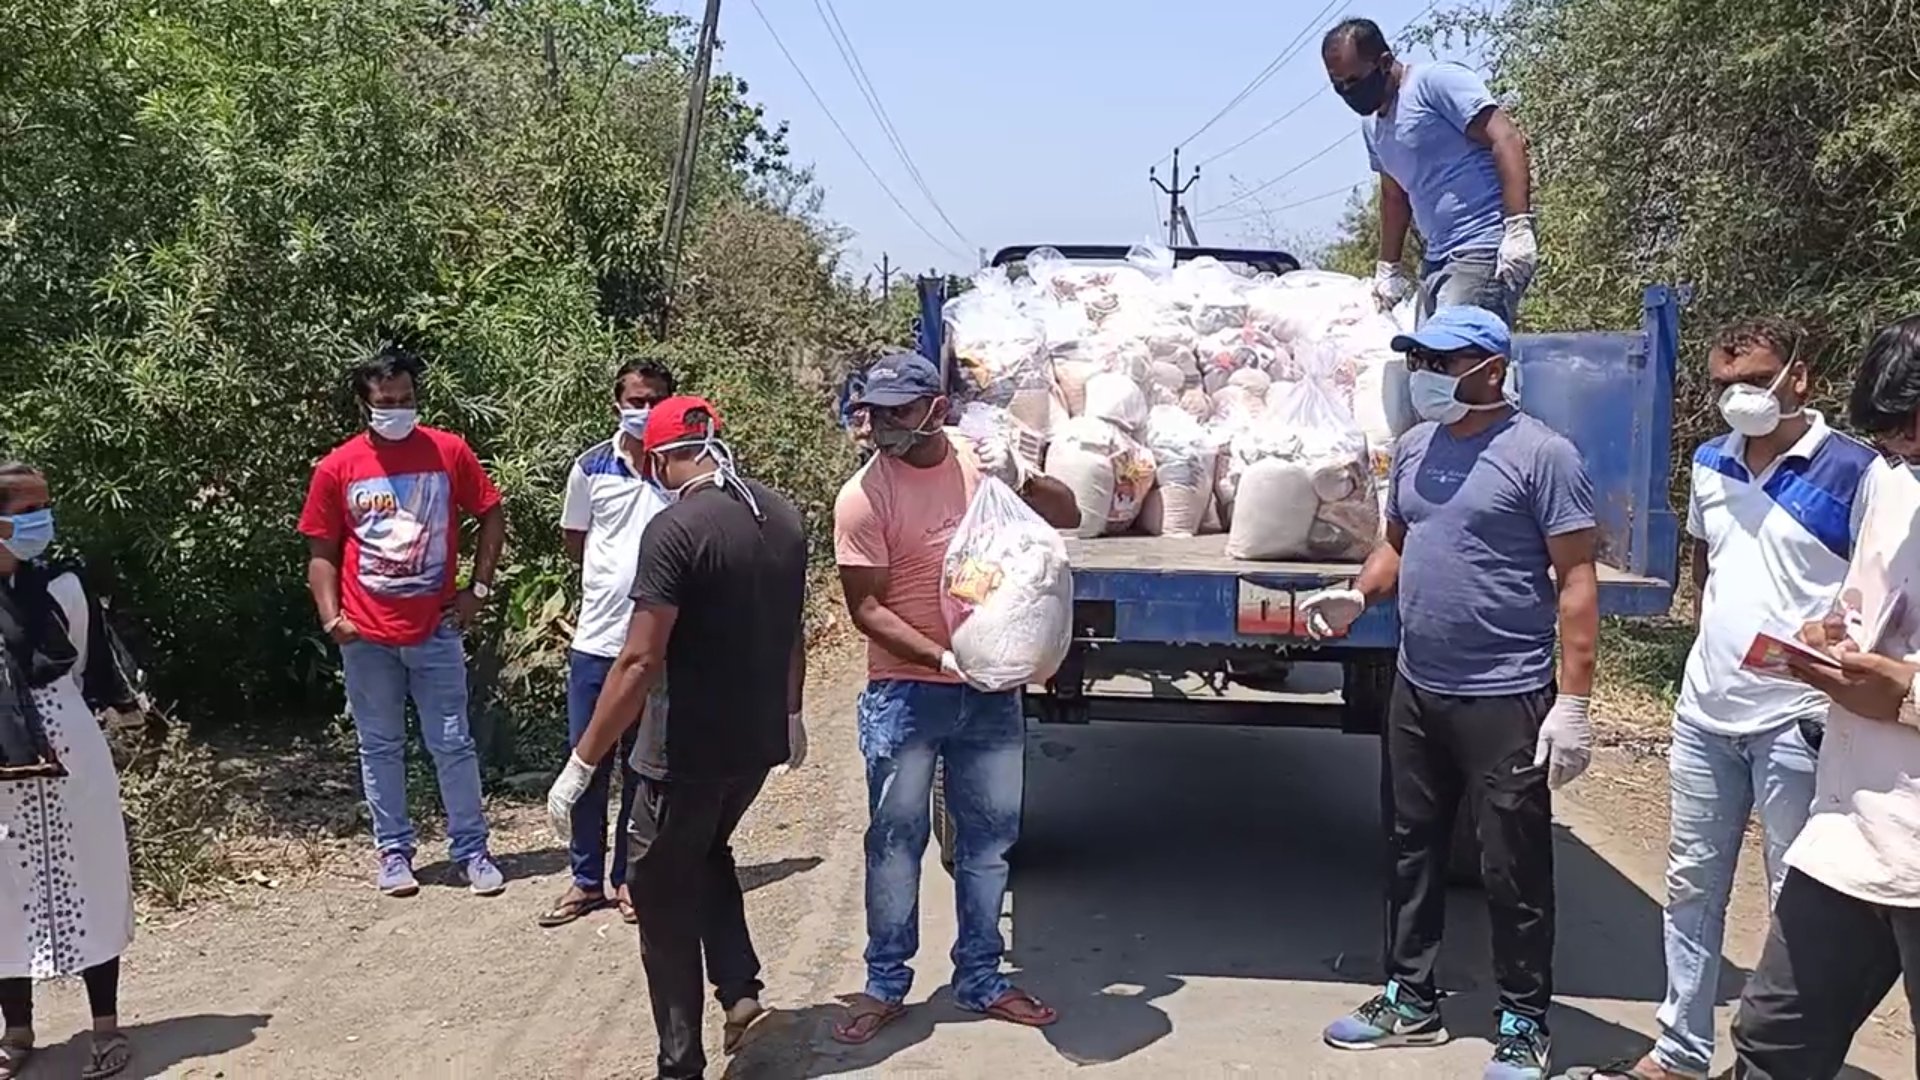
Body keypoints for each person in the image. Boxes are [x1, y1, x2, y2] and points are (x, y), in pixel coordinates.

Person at [1300, 307, 1598, 1080]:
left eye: (1442, 361)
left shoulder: (1543, 457)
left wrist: (1574, 703)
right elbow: (1396, 543)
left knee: (1512, 864)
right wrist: (1358, 596)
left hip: (1507, 694)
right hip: (1418, 684)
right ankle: (1410, 997)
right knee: (1409, 848)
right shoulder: (1414, 449)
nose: (1427, 376)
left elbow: (1575, 582)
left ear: (1491, 368)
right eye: (1421, 361)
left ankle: (1525, 1019)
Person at [1574, 320, 1873, 1080]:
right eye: (1721, 384)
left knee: (1797, 899)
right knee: (1690, 886)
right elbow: (1710, 571)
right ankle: (1679, 1050)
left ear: (1799, 378)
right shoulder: (1711, 462)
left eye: (1756, 379)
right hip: (1707, 713)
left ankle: (1785, 1063)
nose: (1737, 398)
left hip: (1797, 722)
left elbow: (1887, 598)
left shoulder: (1857, 474)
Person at [545, 396, 808, 1079]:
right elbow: (790, 628)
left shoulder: (674, 528)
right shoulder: (780, 514)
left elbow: (638, 660)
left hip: (682, 750)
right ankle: (741, 991)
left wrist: (583, 761)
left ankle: (680, 1064)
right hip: (754, 744)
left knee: (659, 899)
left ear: (660, 457)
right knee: (707, 848)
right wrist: (792, 714)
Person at [827, 351, 1080, 1045]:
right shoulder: (863, 497)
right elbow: (868, 610)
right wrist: (945, 657)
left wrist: (1023, 475)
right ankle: (885, 983)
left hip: (992, 692)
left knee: (989, 842)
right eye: (874, 413)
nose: (882, 427)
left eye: (898, 414)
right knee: (895, 842)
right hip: (907, 693)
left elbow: (1068, 514)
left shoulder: (979, 462)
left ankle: (981, 979)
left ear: (937, 410)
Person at [1729, 315, 1920, 1080]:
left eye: (1917, 436)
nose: (1906, 455)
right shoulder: (1892, 482)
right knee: (1773, 1046)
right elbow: (1867, 603)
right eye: (1893, 442)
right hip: (1850, 832)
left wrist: (1904, 695)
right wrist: (1832, 633)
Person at [298, 344, 508, 898]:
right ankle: (393, 852)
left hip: (435, 629)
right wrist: (331, 619)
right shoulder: (338, 467)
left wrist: (477, 591)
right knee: (379, 745)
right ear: (365, 404)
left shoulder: (448, 451)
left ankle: (472, 851)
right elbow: (321, 549)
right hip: (365, 634)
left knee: (452, 742)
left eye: (407, 399)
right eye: (386, 401)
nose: (398, 408)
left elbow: (490, 511)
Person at [0, 463, 136, 1080]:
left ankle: (106, 1029)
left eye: (42, 508)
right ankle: (17, 1032)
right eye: (25, 510)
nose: (39, 522)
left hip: (71, 745)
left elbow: (91, 666)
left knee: (92, 877)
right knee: (5, 892)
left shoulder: (64, 586)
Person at [538, 359, 676, 929]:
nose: (643, 411)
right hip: (598, 641)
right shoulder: (590, 468)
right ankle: (584, 879)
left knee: (644, 770)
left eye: (655, 400)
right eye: (635, 400)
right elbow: (578, 540)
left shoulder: (687, 468)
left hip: (663, 648)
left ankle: (630, 880)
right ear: (616, 403)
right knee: (588, 761)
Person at [1322, 16, 1536, 327]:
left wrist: (1518, 227)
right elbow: (1394, 196)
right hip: (1437, 257)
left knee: (1457, 356)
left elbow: (1505, 138)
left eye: (1353, 81)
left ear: (1383, 62)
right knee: (1424, 360)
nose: (1346, 92)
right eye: (1337, 85)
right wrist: (1388, 268)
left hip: (1481, 246)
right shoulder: (1373, 126)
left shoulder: (1433, 84)